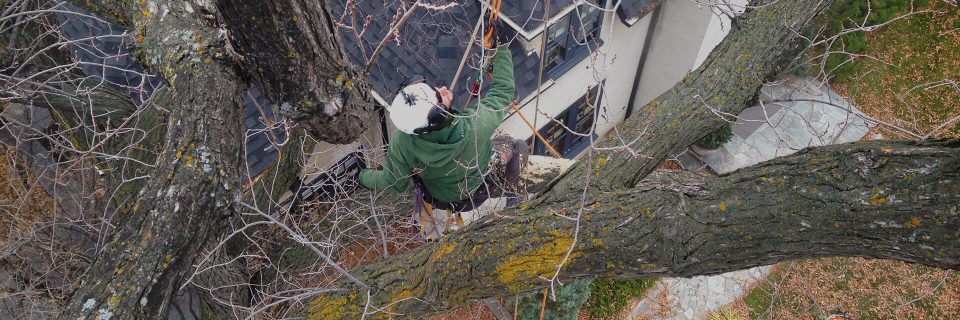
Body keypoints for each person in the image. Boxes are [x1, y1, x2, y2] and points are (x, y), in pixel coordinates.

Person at [358, 30, 523, 214]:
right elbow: (502, 92)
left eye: (433, 89)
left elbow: (393, 182)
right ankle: (509, 187)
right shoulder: (475, 126)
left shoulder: (402, 142)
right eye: (438, 96)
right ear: (438, 115)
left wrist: (362, 177)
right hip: (476, 193)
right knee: (515, 145)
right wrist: (500, 50)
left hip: (440, 198)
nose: (443, 88)